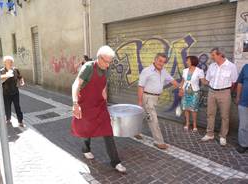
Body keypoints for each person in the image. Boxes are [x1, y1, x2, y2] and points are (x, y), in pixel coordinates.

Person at [71, 45, 126, 173]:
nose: (108, 65)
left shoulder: (106, 68)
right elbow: (76, 84)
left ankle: (115, 162)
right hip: (86, 105)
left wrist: (106, 105)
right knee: (87, 129)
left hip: (100, 105)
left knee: (108, 131)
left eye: (110, 62)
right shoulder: (88, 67)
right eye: (106, 61)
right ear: (99, 58)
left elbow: (103, 87)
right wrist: (75, 103)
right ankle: (86, 148)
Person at [136, 53, 179, 149]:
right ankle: (158, 141)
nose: (161, 63)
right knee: (153, 119)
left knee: (144, 115)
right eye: (160, 61)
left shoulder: (164, 71)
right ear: (155, 60)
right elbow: (140, 86)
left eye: (163, 62)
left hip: (155, 98)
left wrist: (181, 88)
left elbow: (172, 81)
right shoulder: (146, 71)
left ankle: (135, 131)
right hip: (147, 97)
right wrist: (139, 101)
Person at [201, 47, 238, 146]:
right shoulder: (212, 66)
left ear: (220, 55)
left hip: (225, 93)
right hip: (212, 92)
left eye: (213, 55)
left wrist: (228, 91)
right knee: (210, 114)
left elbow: (234, 82)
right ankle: (210, 134)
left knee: (225, 116)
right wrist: (199, 76)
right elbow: (207, 81)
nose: (211, 57)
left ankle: (223, 136)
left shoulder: (231, 66)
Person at [179, 56, 205, 132]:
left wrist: (211, 81)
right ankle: (187, 123)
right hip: (185, 91)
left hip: (194, 92)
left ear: (192, 61)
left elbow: (203, 81)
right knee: (186, 108)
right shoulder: (185, 70)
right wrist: (180, 89)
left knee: (193, 109)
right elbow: (183, 81)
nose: (186, 62)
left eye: (187, 61)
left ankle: (194, 125)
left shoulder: (199, 71)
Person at [0, 56, 25, 127]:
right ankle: (8, 119)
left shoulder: (15, 70)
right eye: (8, 62)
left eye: (11, 62)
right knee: (7, 107)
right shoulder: (1, 71)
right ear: (5, 63)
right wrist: (6, 75)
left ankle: (20, 121)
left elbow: (20, 77)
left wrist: (22, 82)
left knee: (17, 107)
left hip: (15, 92)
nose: (10, 63)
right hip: (6, 93)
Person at [235, 64, 248, 153]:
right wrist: (238, 97)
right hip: (244, 101)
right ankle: (243, 144)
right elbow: (240, 83)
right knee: (243, 125)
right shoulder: (245, 67)